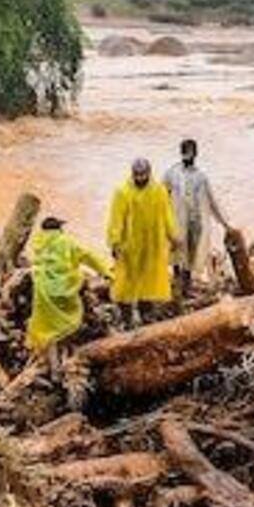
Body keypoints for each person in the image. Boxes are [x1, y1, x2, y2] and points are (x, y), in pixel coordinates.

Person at [26, 217, 110, 369]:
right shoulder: (66, 242)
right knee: (68, 323)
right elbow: (88, 256)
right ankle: (64, 359)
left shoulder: (37, 244)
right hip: (64, 290)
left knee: (45, 326)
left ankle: (46, 359)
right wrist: (105, 271)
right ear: (58, 229)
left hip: (43, 292)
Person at [107, 158, 180, 325]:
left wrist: (173, 236)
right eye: (137, 175)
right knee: (125, 283)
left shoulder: (159, 191)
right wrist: (115, 242)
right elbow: (115, 219)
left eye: (143, 175)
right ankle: (126, 318)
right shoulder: (122, 192)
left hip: (151, 246)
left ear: (149, 173)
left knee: (148, 283)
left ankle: (145, 316)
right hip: (129, 246)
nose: (140, 178)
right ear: (132, 174)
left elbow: (167, 215)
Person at [162, 138, 229, 299]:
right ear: (181, 153)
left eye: (191, 152)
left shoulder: (201, 177)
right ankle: (178, 286)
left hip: (195, 222)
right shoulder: (172, 173)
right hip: (176, 221)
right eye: (185, 152)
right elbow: (161, 197)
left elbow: (212, 202)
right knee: (177, 255)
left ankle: (185, 287)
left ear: (196, 154)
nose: (188, 155)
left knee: (191, 256)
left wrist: (225, 223)